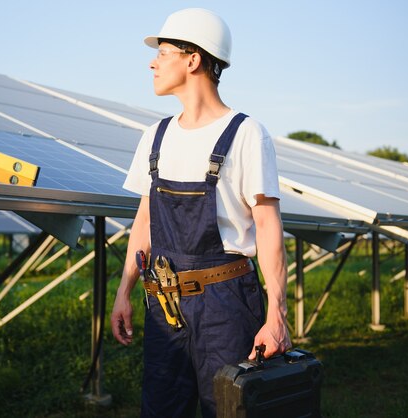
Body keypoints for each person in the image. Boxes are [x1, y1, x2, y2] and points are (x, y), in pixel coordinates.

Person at [110, 8, 291, 417]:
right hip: (164, 302)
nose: (153, 62)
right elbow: (145, 220)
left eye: (164, 51)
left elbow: (267, 223)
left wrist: (277, 313)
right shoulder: (154, 136)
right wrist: (124, 291)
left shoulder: (246, 133)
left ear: (193, 60)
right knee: (160, 410)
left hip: (226, 304)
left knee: (230, 409)